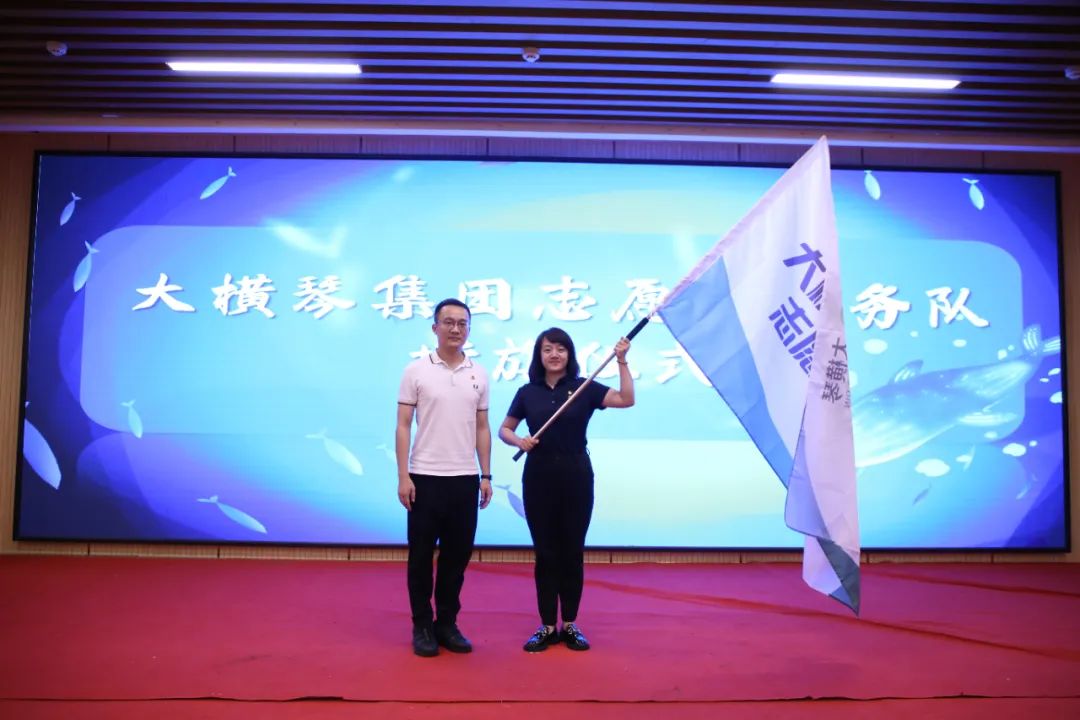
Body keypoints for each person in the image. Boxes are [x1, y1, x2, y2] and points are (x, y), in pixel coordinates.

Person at [498, 328, 634, 652]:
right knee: (545, 553)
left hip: (576, 476)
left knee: (572, 551)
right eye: (548, 349)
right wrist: (519, 441)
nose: (554, 354)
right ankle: (547, 626)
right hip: (538, 478)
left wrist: (622, 361)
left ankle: (570, 624)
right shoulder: (527, 392)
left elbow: (626, 399)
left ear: (570, 354)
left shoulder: (584, 387)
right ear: (539, 355)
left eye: (561, 349)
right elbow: (504, 429)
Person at [396, 298, 493, 657]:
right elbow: (403, 425)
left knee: (456, 559)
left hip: (464, 478)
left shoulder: (478, 373)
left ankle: (447, 623)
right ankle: (422, 625)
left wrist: (486, 475)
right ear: (435, 327)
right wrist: (403, 475)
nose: (455, 329)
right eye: (448, 322)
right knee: (421, 557)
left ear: (469, 329)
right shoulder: (416, 371)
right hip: (424, 477)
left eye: (462, 323)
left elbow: (482, 427)